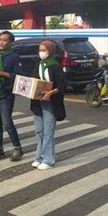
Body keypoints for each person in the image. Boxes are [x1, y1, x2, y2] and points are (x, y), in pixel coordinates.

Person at [0, 30, 24, 161]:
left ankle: (17, 148)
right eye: (0, 39)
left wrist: (0, 73)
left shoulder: (14, 57)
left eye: (4, 40)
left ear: (11, 42)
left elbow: (18, 77)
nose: (1, 42)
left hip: (6, 94)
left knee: (7, 123)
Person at [30, 41, 66, 170]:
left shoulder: (55, 66)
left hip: (51, 103)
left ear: (50, 51)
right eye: (40, 50)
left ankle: (48, 159)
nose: (41, 52)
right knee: (39, 130)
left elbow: (62, 85)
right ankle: (39, 157)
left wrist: (51, 92)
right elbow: (33, 81)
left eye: (44, 50)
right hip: (37, 102)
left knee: (48, 132)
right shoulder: (38, 65)